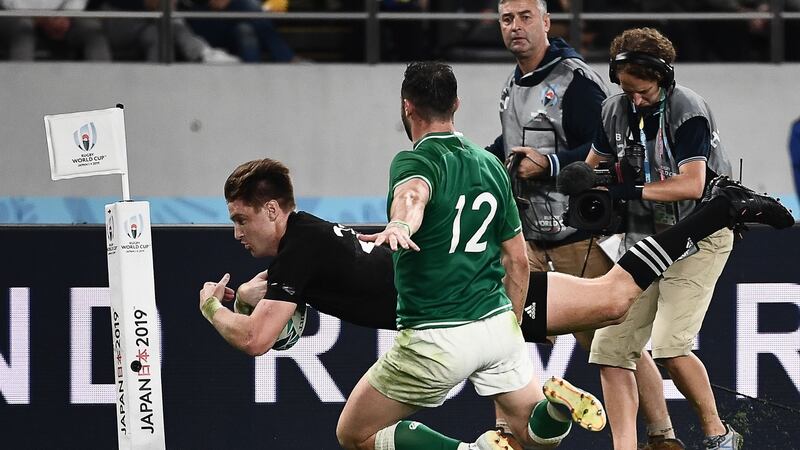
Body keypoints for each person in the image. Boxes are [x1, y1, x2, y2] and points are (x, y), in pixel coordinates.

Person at [200, 153, 792, 448]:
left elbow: (260, 340)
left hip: (453, 317)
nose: (236, 232)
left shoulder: (299, 247)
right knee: (609, 307)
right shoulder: (307, 238)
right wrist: (260, 292)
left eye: (241, 219)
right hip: (487, 292)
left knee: (353, 436)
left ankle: (718, 207)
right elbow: (293, 307)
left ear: (273, 209)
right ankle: (719, 207)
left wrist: (213, 308)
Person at [488, 1, 677, 448]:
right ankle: (510, 433)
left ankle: (662, 435)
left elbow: (612, 146)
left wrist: (551, 164)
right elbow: (508, 145)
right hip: (528, 237)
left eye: (525, 17)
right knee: (499, 332)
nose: (515, 27)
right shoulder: (512, 85)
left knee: (616, 343)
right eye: (506, 19)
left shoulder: (573, 81)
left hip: (578, 239)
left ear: (547, 23)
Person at [583, 27, 743, 450]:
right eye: (627, 90)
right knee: (610, 348)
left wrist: (625, 191)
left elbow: (692, 185)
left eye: (643, 90)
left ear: (664, 77)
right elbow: (593, 167)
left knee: (671, 349)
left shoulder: (687, 108)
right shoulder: (614, 109)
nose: (634, 98)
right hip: (647, 237)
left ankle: (719, 436)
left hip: (700, 234)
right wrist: (582, 184)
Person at [183, 0, 299, 63]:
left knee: (245, 29)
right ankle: (287, 58)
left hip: (230, 23)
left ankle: (251, 76)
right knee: (249, 6)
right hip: (199, 20)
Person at [0, 0, 111, 61]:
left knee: (93, 31)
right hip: (19, 15)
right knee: (23, 30)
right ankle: (20, 89)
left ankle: (105, 90)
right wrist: (37, 17)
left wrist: (66, 15)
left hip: (66, 16)